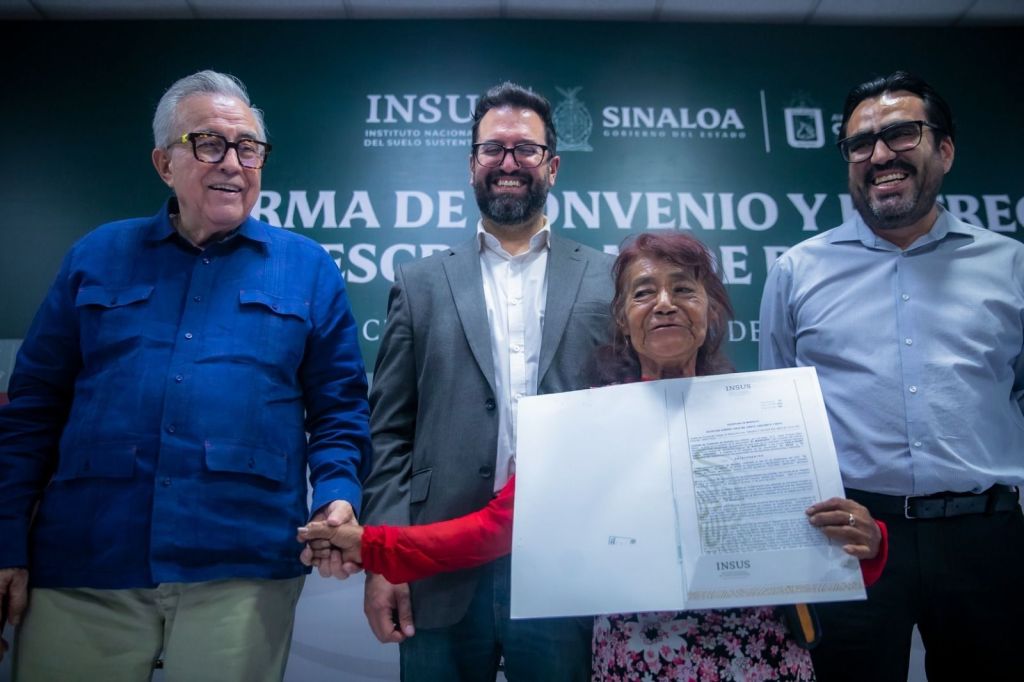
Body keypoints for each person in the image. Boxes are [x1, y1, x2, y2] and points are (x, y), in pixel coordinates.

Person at [306, 232, 888, 681]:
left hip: (757, 658)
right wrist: (371, 545)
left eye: (685, 290)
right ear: (621, 320)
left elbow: (824, 547)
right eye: (644, 292)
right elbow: (494, 530)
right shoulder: (584, 423)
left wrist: (870, 542)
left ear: (711, 310)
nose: (665, 304)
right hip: (635, 661)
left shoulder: (766, 412)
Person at [0, 70, 371, 681]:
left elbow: (339, 411)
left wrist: (337, 497)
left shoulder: (307, 269)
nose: (232, 163)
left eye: (248, 147)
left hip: (241, 567)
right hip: (86, 565)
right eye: (208, 143)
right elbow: (33, 411)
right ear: (163, 163)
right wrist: (7, 539)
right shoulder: (94, 257)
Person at [759, 70, 1024, 682]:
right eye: (860, 144)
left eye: (901, 134)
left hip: (986, 536)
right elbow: (778, 412)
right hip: (850, 536)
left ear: (945, 150)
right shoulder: (797, 272)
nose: (880, 155)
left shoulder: (1010, 266)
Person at [356, 81, 615, 681]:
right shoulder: (419, 283)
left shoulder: (608, 277)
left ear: (553, 165)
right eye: (493, 148)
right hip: (436, 561)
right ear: (472, 164)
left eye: (526, 149)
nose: (509, 163)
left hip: (570, 561)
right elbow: (389, 433)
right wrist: (385, 558)